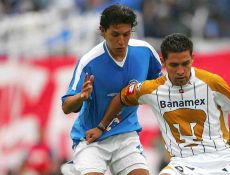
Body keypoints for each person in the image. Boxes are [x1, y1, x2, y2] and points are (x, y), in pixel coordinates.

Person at [86, 33, 230, 175]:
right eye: (174, 65)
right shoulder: (151, 89)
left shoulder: (212, 82)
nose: (180, 71)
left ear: (192, 59)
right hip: (183, 164)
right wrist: (101, 127)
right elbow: (120, 97)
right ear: (163, 62)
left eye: (185, 64)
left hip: (221, 159)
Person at [61, 4, 162, 175]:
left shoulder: (145, 52)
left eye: (126, 34)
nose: (121, 41)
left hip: (126, 134)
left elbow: (157, 83)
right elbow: (66, 107)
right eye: (115, 35)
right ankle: (78, 166)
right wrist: (81, 97)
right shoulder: (89, 62)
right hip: (91, 138)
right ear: (103, 31)